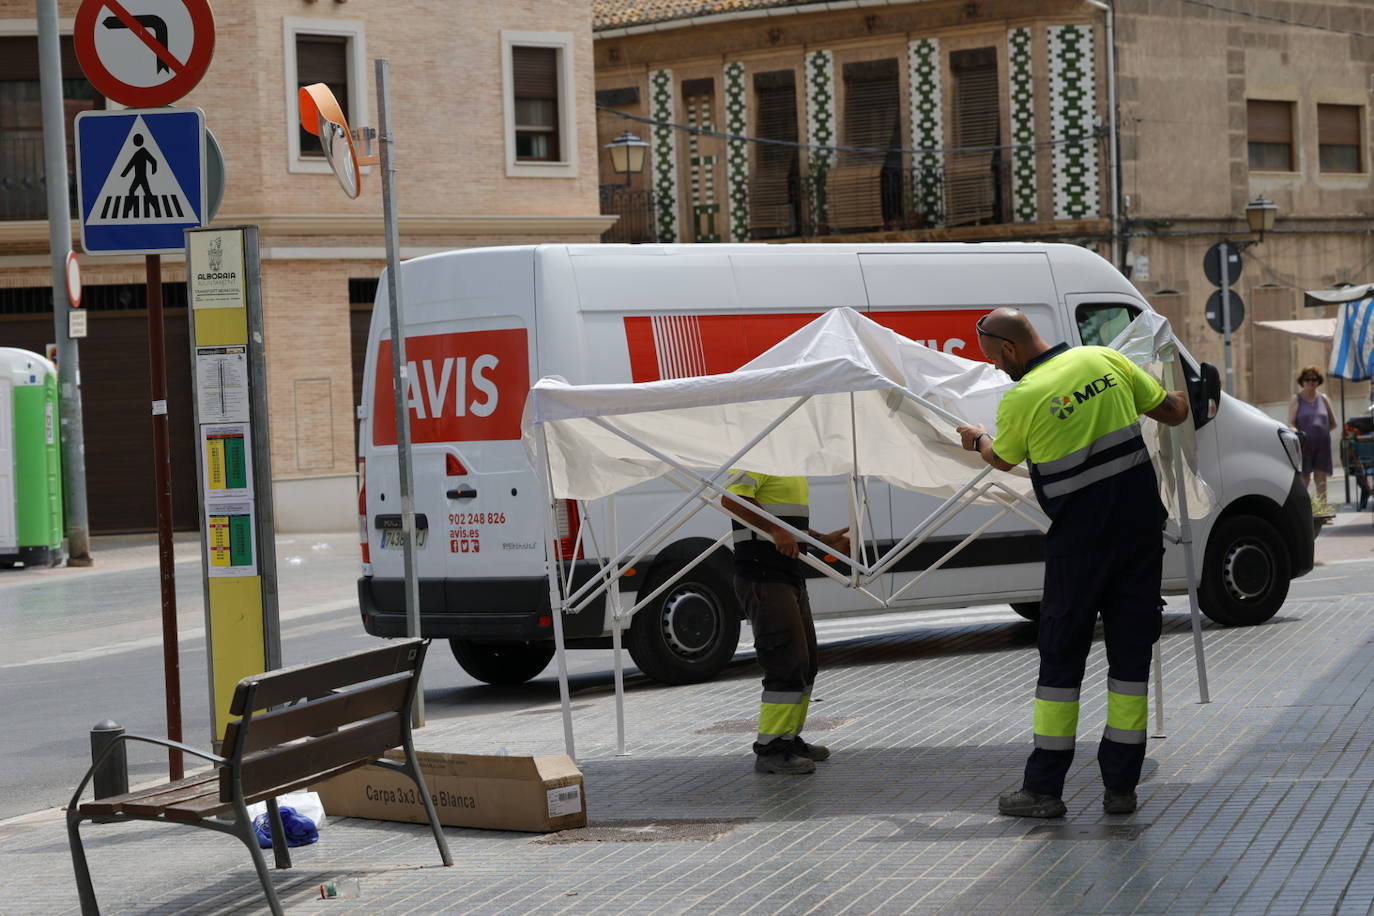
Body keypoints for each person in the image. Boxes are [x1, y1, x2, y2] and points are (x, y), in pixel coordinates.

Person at [956, 308, 1189, 817]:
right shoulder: (1105, 359)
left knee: (1061, 664)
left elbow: (1002, 460)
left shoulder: (1023, 396)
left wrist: (978, 439)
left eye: (995, 360)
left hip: (1079, 548)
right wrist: (1190, 382)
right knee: (1130, 663)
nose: (997, 368)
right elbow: (1173, 411)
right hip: (1138, 538)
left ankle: (1043, 791)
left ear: (1011, 350)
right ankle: (1121, 789)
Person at [721, 473, 849, 775]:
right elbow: (731, 499)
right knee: (786, 662)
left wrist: (819, 540)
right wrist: (776, 529)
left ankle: (788, 738)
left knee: (806, 664)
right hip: (763, 577)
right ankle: (771, 749)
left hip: (787, 575)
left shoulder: (789, 466)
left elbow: (786, 527)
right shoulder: (758, 456)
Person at [1287, 365, 1337, 503]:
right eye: (1307, 379)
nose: (1310, 382)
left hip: (1322, 446)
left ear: (1318, 381)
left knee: (1321, 479)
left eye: (1314, 379)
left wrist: (1320, 433)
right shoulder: (1296, 399)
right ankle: (1304, 512)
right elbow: (1290, 423)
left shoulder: (1324, 398)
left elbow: (1333, 423)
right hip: (1304, 446)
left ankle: (1323, 512)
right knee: (1304, 479)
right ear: (1302, 381)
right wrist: (1297, 432)